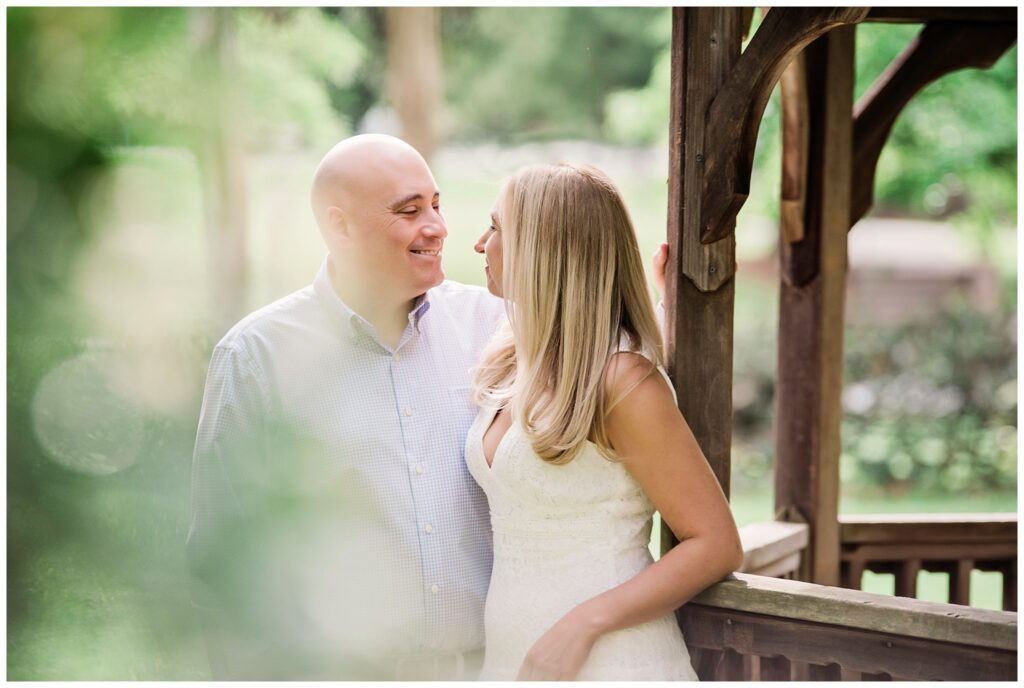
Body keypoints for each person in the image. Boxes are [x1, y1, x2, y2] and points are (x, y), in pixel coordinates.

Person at [187, 134, 505, 680]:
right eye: (410, 211)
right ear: (340, 227)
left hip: (487, 671)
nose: (438, 227)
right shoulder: (255, 356)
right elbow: (222, 556)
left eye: (436, 204)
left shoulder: (494, 327)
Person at [467, 162, 744, 680]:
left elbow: (716, 543)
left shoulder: (622, 381)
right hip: (514, 658)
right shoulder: (516, 358)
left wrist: (583, 625)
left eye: (497, 227)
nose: (481, 244)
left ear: (543, 248)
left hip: (611, 659)